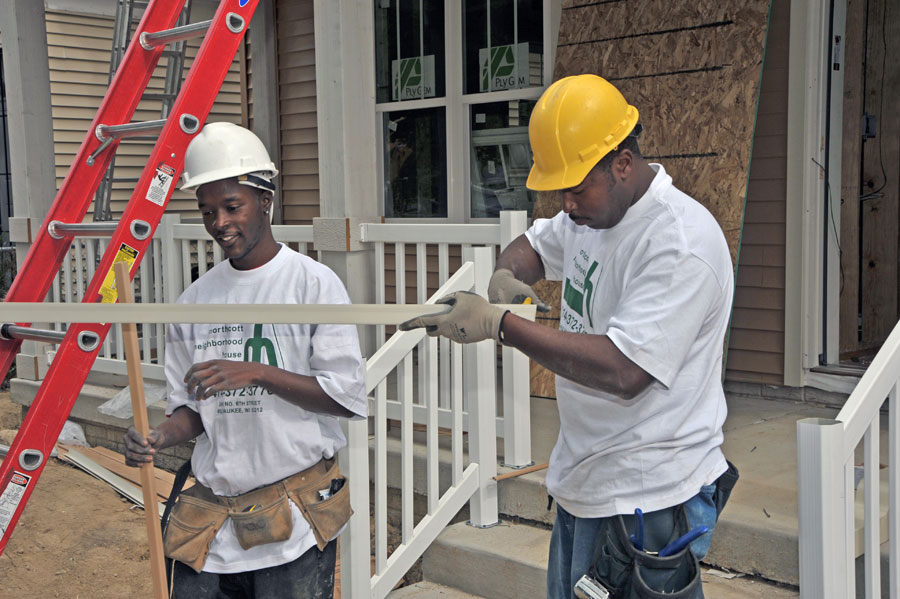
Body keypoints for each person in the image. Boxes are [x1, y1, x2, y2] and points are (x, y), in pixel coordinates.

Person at [400, 74, 737, 598]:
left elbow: (625, 371)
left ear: (622, 163)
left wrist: (498, 323)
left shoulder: (678, 243)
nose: (568, 204)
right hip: (586, 480)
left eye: (577, 188)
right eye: (562, 190)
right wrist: (507, 276)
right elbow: (533, 245)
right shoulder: (591, 216)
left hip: (647, 499)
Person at [123, 122, 366, 599]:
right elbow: (191, 412)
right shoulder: (193, 303)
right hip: (212, 526)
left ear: (266, 201)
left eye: (232, 206)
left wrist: (256, 372)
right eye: (207, 211)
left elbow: (344, 398)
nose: (219, 223)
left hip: (292, 521)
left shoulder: (312, 286)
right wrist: (158, 436)